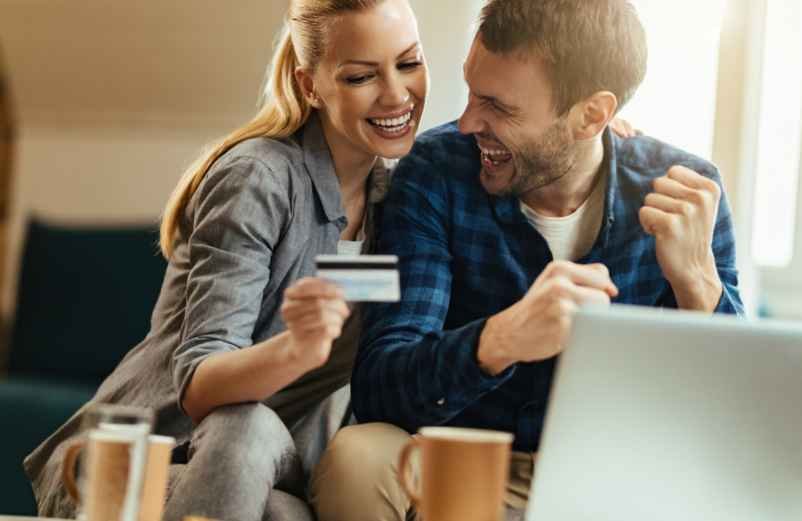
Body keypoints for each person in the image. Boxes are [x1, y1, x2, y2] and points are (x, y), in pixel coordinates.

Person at [311, 1, 744, 520]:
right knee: (358, 457)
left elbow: (735, 424)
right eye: (472, 91)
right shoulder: (437, 169)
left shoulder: (686, 194)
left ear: (591, 116)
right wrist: (500, 340)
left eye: (498, 107)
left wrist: (698, 283)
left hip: (608, 480)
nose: (469, 121)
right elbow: (381, 384)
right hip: (459, 462)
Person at [24, 1, 428, 520]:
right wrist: (299, 349)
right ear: (310, 86)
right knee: (249, 432)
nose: (396, 94)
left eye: (410, 63)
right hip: (142, 459)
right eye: (360, 76)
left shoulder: (395, 203)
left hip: (266, 464)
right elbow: (199, 385)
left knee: (293, 503)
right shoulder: (257, 178)